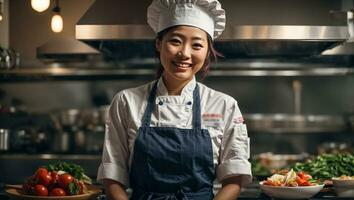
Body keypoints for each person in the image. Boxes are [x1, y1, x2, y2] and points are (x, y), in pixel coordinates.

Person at [97, 0, 252, 199]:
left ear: (206, 52)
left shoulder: (225, 105)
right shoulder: (126, 102)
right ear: (159, 43)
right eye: (175, 41)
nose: (184, 54)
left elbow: (234, 180)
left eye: (197, 45)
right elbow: (113, 176)